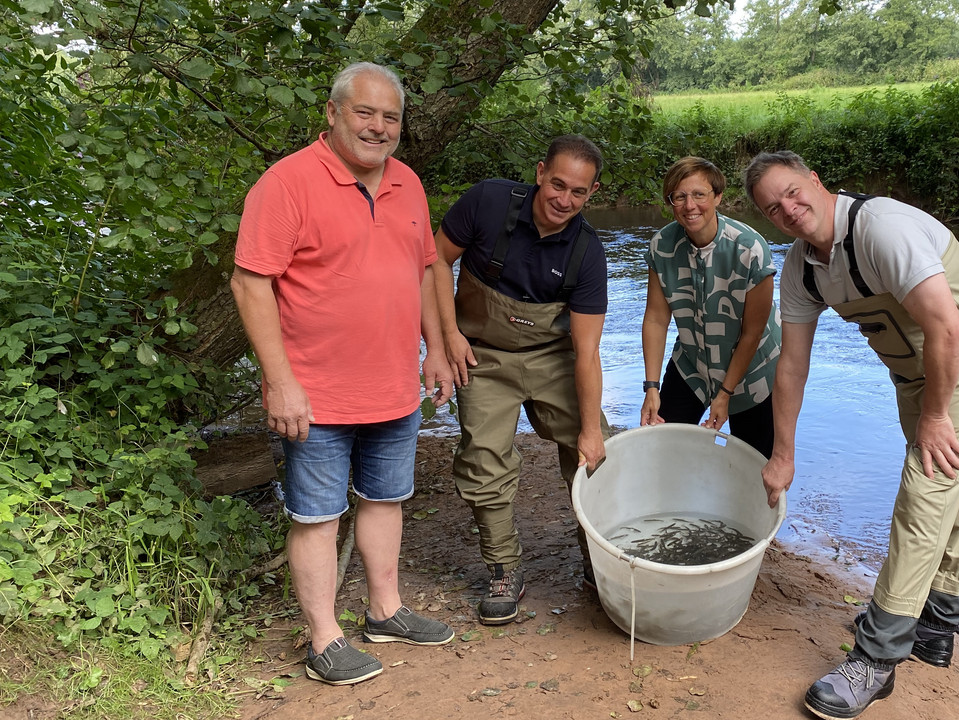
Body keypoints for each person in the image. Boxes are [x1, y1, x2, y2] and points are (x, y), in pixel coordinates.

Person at [745, 151, 959, 720]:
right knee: (952, 485)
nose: (790, 210)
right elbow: (791, 366)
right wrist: (782, 455)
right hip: (915, 375)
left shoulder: (881, 229)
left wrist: (937, 415)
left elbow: (946, 324)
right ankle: (936, 624)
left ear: (816, 181)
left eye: (794, 192)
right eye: (774, 207)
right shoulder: (801, 268)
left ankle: (876, 658)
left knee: (925, 491)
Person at [230, 62, 456, 686]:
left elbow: (422, 274)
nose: (378, 128)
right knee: (317, 515)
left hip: (393, 386)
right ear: (332, 114)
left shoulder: (408, 183)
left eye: (391, 118)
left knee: (387, 500)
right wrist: (279, 382)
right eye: (365, 113)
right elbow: (251, 285)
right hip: (315, 393)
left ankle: (385, 610)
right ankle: (324, 638)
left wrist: (434, 350)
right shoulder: (287, 183)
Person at [431, 135, 610, 626]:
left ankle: (602, 561)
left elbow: (588, 351)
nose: (564, 200)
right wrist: (447, 339)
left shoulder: (588, 252)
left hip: (555, 358)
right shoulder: (487, 201)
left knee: (597, 454)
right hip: (481, 355)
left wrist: (590, 428)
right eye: (557, 185)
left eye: (578, 192)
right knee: (483, 460)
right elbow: (433, 261)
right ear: (539, 173)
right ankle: (504, 567)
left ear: (591, 194)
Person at [640, 156, 781, 459]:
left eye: (699, 195)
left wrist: (725, 394)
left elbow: (752, 332)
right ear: (671, 202)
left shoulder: (750, 249)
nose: (689, 205)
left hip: (753, 372)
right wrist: (651, 387)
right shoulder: (661, 246)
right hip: (692, 362)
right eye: (679, 196)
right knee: (666, 448)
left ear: (717, 197)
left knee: (756, 462)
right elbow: (655, 319)